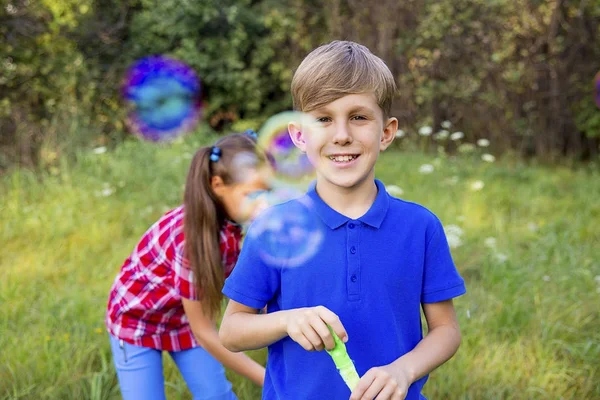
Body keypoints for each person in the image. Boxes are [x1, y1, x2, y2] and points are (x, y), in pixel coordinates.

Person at [219, 41, 466, 400]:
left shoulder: (421, 227)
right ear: (299, 135)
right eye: (323, 118)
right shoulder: (273, 227)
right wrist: (288, 320)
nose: (341, 135)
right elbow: (231, 330)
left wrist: (404, 370)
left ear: (386, 132)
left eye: (359, 117)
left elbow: (446, 330)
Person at [105, 132, 268, 400]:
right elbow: (205, 332)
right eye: (252, 194)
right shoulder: (191, 241)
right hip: (137, 322)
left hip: (182, 318)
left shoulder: (234, 224)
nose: (262, 204)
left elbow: (249, 289)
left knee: (217, 395)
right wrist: (269, 379)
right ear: (218, 185)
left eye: (266, 192)